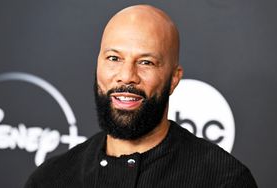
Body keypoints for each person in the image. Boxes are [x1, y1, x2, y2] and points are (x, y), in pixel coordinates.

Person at [25, 4, 257, 188]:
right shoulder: (51, 179)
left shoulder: (223, 180)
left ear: (174, 78)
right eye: (114, 58)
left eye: (146, 62)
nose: (127, 76)